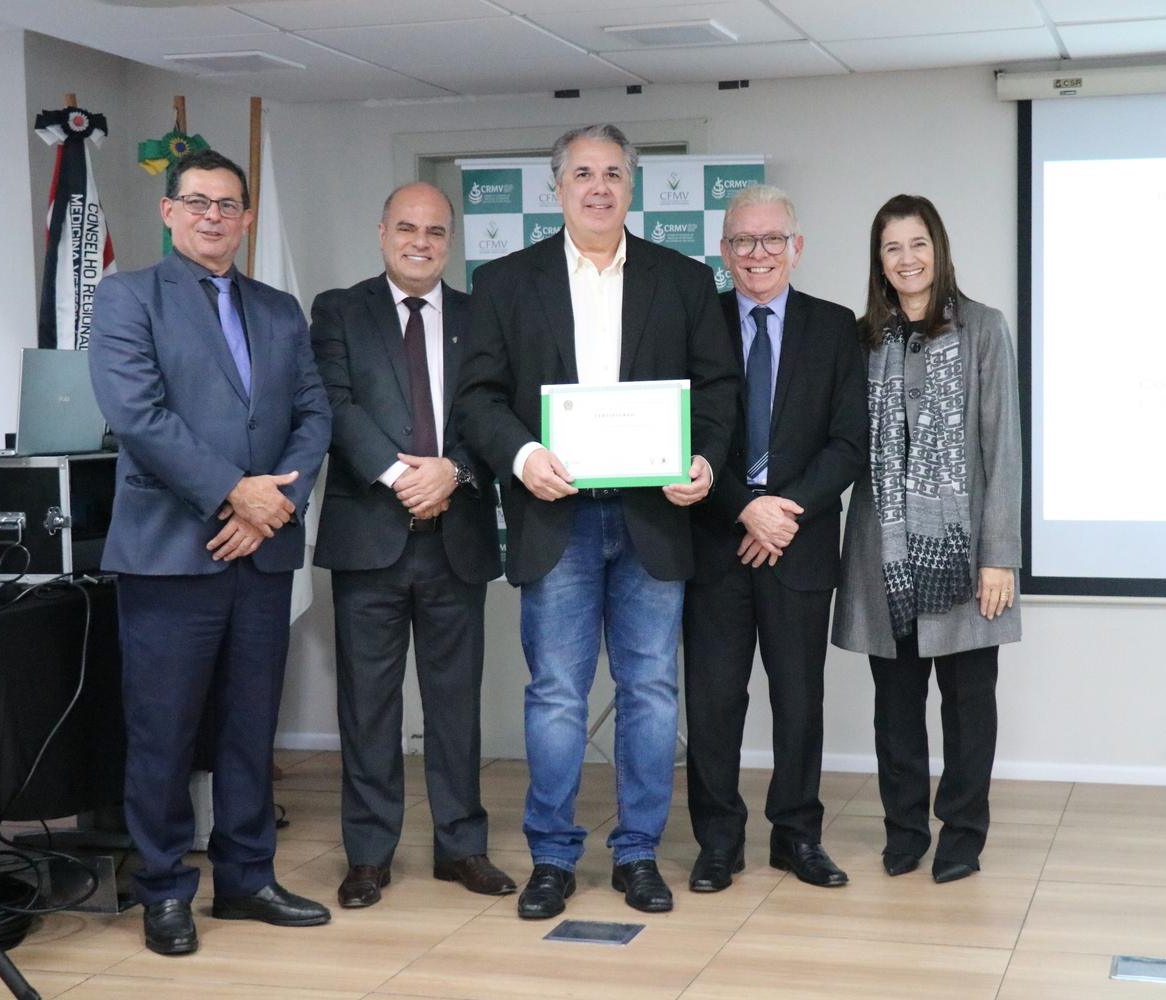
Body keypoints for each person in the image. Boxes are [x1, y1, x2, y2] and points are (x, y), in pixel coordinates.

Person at [455, 124, 739, 919]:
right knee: (555, 696)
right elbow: (476, 399)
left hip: (655, 517)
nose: (599, 186)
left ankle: (638, 853)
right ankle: (551, 857)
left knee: (650, 691)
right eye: (583, 173)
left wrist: (706, 462)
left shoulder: (682, 279)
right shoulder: (507, 281)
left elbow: (718, 393)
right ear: (558, 188)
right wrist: (520, 455)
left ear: (632, 186)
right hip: (557, 521)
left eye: (614, 172)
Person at [88, 148, 332, 955]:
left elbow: (313, 414)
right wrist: (237, 492)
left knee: (248, 726)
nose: (213, 216)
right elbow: (139, 416)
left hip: (259, 553)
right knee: (163, 732)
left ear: (247, 217)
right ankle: (162, 889)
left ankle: (246, 878)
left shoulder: (278, 308)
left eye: (229, 205)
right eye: (197, 202)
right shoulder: (126, 297)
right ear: (168, 211)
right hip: (170, 554)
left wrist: (275, 505)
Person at [309, 182, 515, 909]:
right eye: (407, 227)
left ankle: (462, 847)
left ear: (450, 241)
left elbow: (496, 412)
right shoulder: (339, 309)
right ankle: (368, 855)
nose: (420, 241)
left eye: (435, 230)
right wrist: (403, 476)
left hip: (454, 537)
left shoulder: (479, 314)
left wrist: (453, 471)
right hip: (370, 539)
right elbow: (334, 404)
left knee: (456, 706)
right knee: (368, 708)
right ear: (382, 232)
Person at [831, 194, 1020, 885]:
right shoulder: (861, 339)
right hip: (885, 556)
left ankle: (963, 834)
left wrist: (1001, 555)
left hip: (967, 553)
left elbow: (1003, 448)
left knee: (970, 705)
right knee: (895, 706)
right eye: (892, 248)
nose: (907, 259)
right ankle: (904, 830)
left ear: (938, 250)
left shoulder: (983, 329)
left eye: (918, 244)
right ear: (878, 263)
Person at [683, 185, 866, 894]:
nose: (756, 255)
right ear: (724, 251)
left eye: (770, 240)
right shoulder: (699, 325)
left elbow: (849, 442)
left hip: (800, 543)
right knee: (715, 700)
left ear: (796, 246)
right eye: (741, 242)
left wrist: (780, 511)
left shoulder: (835, 326)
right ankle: (718, 843)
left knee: (799, 701)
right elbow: (687, 436)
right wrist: (743, 509)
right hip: (714, 543)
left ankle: (796, 837)